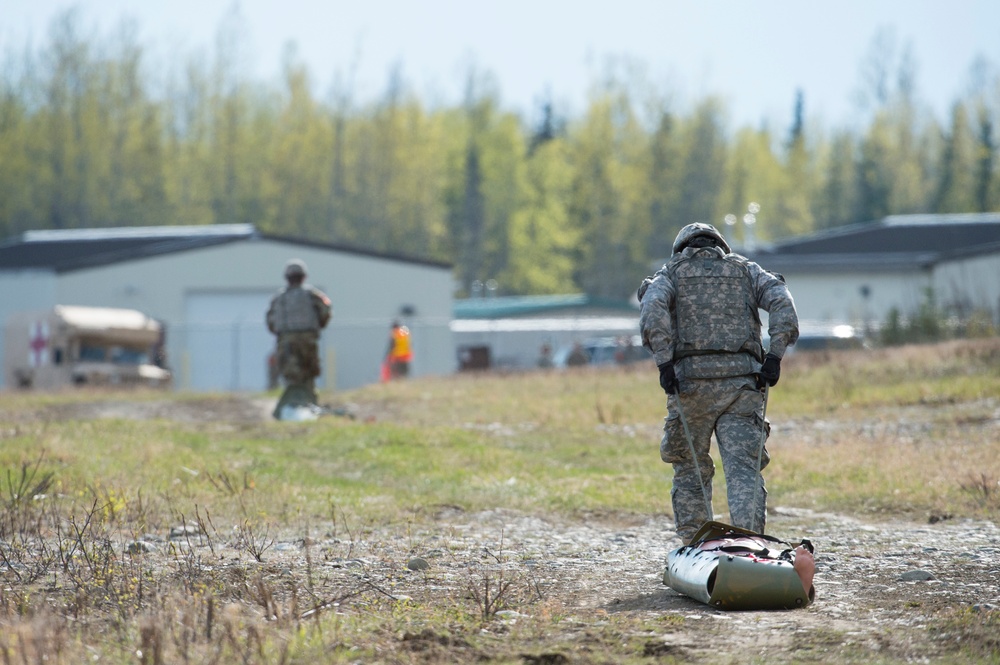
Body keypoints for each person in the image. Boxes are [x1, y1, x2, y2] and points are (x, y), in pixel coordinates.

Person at [638, 222, 798, 543]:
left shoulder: (670, 274)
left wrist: (663, 361)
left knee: (691, 470)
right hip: (742, 388)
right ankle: (751, 548)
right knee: (744, 472)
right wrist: (775, 356)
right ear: (720, 245)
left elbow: (652, 308)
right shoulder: (747, 272)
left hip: (690, 388)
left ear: (682, 248)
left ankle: (699, 547)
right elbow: (782, 300)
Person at [266, 259, 331, 419]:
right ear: (304, 276)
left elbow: (271, 321)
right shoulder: (313, 295)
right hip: (308, 341)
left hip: (286, 342)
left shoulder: (278, 298)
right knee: (309, 376)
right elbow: (325, 311)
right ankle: (310, 406)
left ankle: (291, 408)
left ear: (287, 277)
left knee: (291, 377)